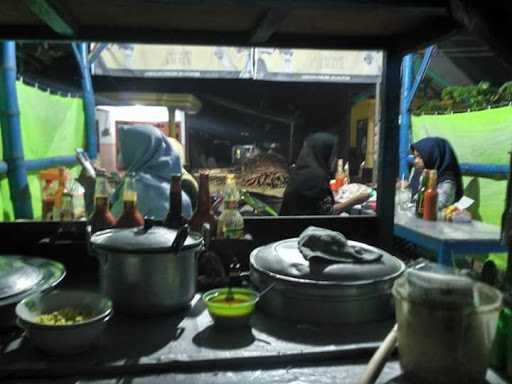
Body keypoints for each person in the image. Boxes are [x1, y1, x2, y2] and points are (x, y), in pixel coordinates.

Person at [81, 124, 193, 221]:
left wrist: (91, 188)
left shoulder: (140, 186)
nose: (119, 154)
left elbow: (108, 227)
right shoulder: (168, 185)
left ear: (139, 152)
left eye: (122, 150)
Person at [280, 132, 369, 216]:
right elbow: (328, 213)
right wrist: (356, 200)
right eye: (332, 154)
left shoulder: (302, 171)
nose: (334, 159)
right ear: (324, 153)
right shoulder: (315, 177)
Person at [409, 137, 463, 210]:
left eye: (420, 157)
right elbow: (415, 199)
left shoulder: (447, 183)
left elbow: (433, 208)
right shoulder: (425, 173)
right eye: (415, 157)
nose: (415, 161)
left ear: (433, 157)